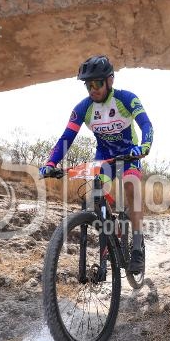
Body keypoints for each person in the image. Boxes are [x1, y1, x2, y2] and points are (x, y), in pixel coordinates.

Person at [40, 55, 154, 274]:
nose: (93, 89)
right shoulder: (83, 108)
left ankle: (137, 247)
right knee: (95, 196)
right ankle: (113, 230)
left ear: (110, 80)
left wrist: (144, 146)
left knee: (130, 186)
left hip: (129, 154)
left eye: (97, 84)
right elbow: (67, 138)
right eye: (88, 85)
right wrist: (51, 162)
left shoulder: (126, 99)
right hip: (104, 157)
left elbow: (146, 124)